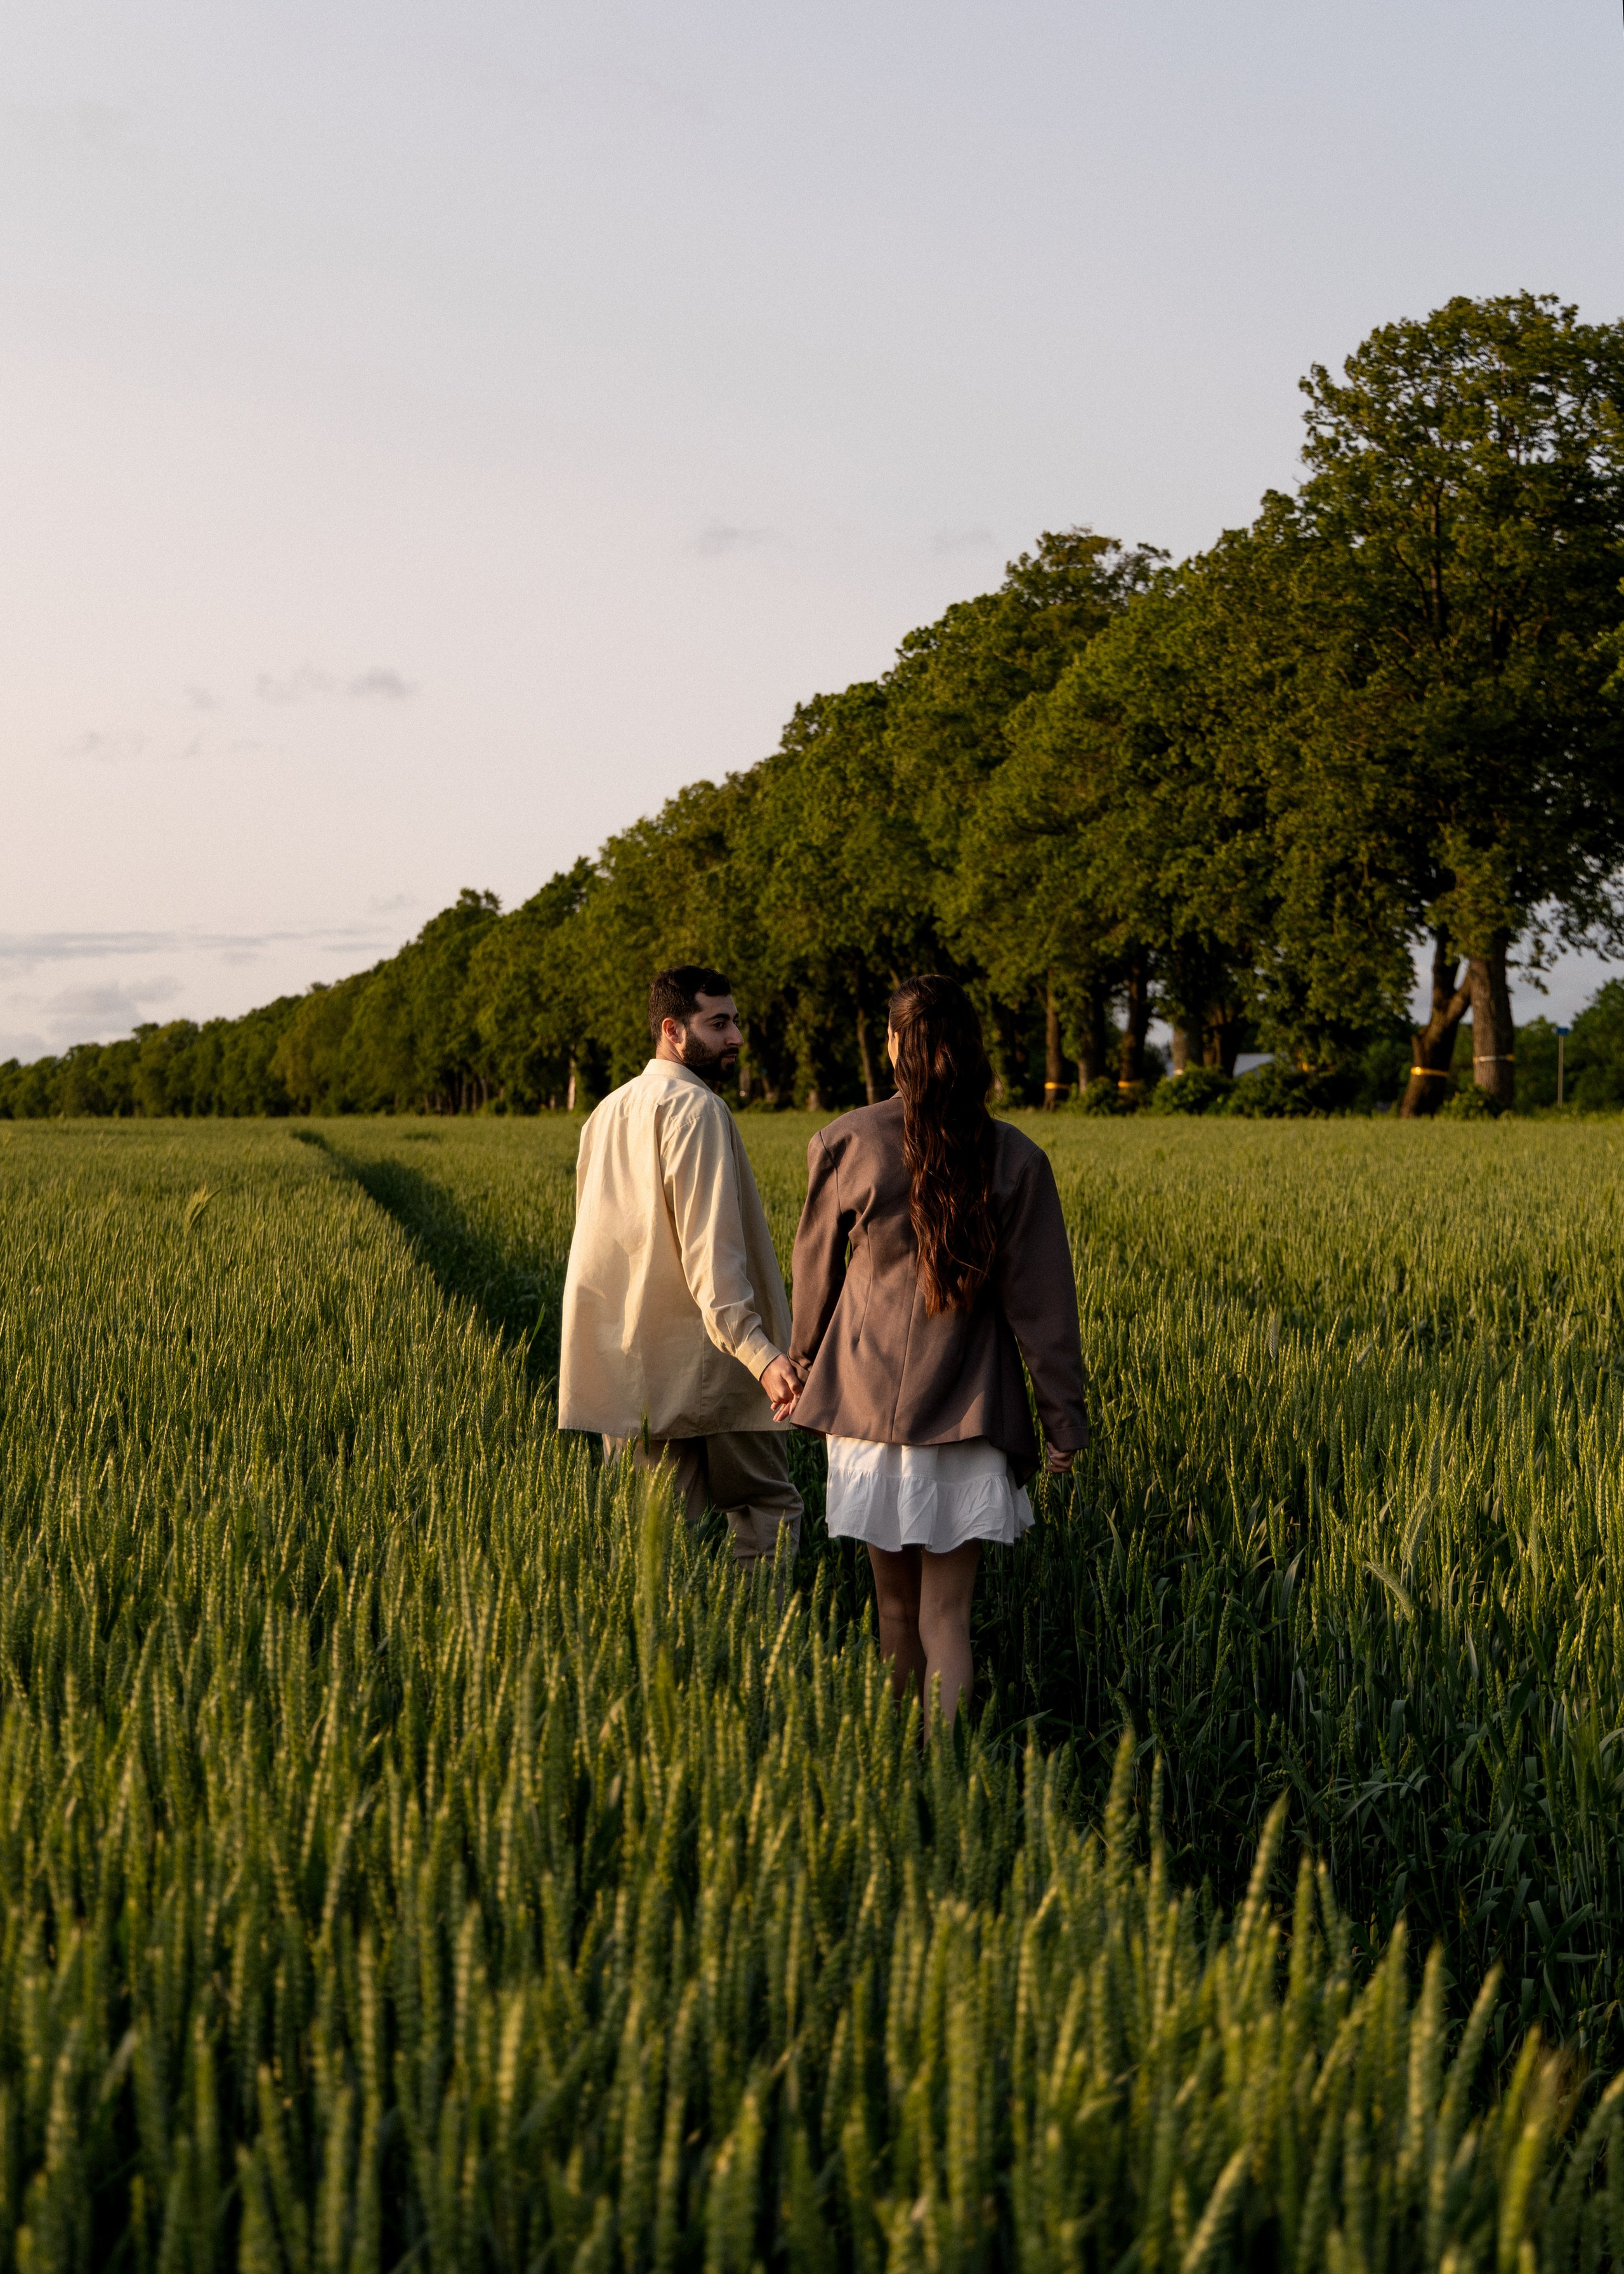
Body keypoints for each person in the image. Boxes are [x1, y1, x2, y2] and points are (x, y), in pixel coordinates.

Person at [783, 975, 1087, 1725]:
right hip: (968, 1411)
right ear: (970, 1045)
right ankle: (947, 1772)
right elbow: (1044, 1313)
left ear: (892, 1043)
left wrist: (796, 1362)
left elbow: (813, 1274)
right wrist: (1063, 1423)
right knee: (947, 1617)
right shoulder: (1016, 1157)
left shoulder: (845, 1141)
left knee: (893, 1607)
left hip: (862, 1409)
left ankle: (899, 1766)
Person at [558, 966, 804, 1570]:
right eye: (718, 1024)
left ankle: (666, 1654)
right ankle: (754, 1650)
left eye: (736, 1022)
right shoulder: (697, 1112)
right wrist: (765, 1356)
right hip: (714, 1364)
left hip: (631, 1370)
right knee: (767, 1511)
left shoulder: (607, 1112)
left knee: (651, 1548)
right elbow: (711, 1257)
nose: (736, 1038)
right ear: (673, 1030)